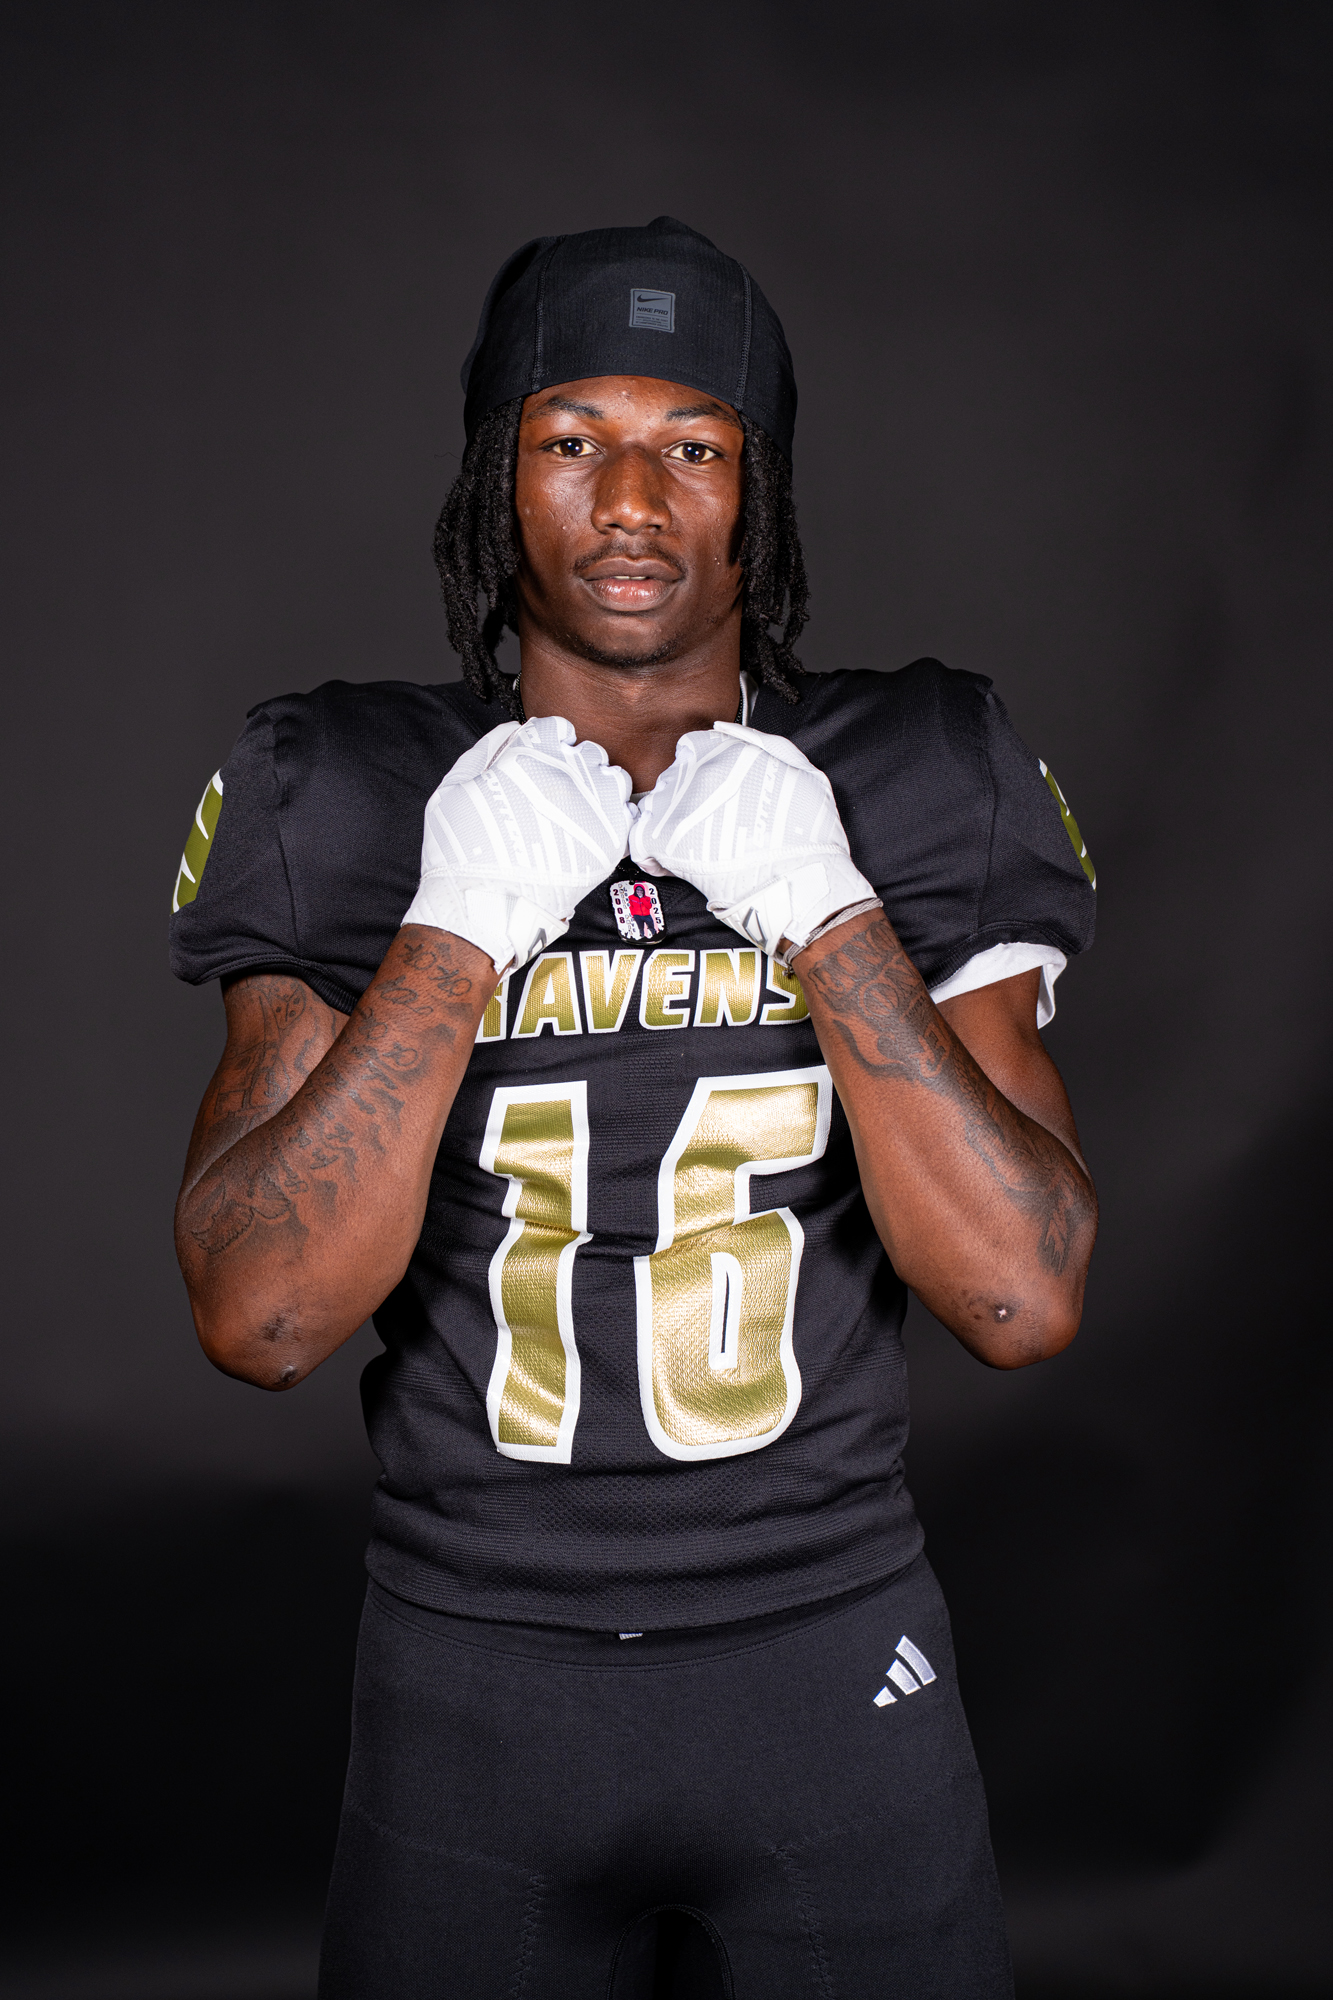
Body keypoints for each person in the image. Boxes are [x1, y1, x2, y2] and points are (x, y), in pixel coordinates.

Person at [170, 217, 1097, 1999]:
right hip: (473, 1676)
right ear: (491, 472)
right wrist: (449, 938)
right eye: (568, 438)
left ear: (759, 487)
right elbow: (262, 1315)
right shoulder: (345, 784)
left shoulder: (914, 767)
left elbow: (1019, 1295)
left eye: (693, 443)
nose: (628, 501)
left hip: (828, 1655)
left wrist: (831, 919)